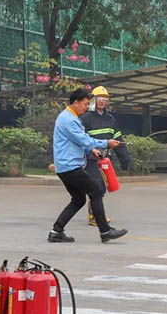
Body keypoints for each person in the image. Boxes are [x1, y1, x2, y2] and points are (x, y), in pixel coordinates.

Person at [48, 88, 127, 243]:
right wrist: (106, 143)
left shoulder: (71, 117)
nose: (86, 107)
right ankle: (105, 231)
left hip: (66, 166)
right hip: (70, 167)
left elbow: (79, 142)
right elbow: (84, 139)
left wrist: (91, 150)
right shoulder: (68, 120)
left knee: (78, 199)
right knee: (96, 192)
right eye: (84, 104)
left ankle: (56, 231)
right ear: (76, 102)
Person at [80, 85, 130, 227]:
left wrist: (124, 159)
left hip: (105, 159)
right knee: (97, 187)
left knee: (102, 188)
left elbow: (118, 139)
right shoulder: (85, 118)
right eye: (100, 98)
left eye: (105, 99)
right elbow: (80, 139)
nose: (102, 101)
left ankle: (94, 213)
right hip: (90, 158)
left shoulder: (110, 119)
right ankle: (95, 216)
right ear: (93, 100)